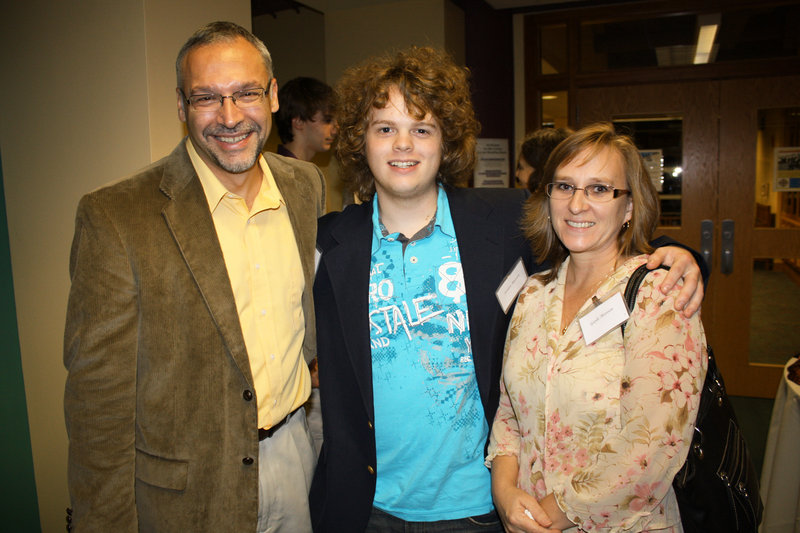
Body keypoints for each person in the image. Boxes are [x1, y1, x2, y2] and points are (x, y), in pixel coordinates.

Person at [309, 46, 705, 532]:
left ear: (446, 141)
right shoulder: (330, 245)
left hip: (478, 506)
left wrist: (682, 256)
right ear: (360, 140)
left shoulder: (502, 223)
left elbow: (591, 226)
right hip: (366, 506)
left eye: (421, 129)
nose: (403, 145)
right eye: (385, 128)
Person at [63, 21, 324, 532]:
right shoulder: (116, 216)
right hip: (188, 493)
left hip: (297, 459)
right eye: (207, 98)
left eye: (246, 93)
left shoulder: (304, 186)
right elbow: (98, 407)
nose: (229, 117)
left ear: (272, 96)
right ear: (182, 108)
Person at [487, 123, 707, 533]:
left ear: (629, 207)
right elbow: (508, 412)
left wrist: (550, 515)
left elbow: (654, 447)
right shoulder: (534, 293)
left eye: (600, 189)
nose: (577, 204)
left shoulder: (658, 294)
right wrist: (503, 492)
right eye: (565, 186)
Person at [275, 76, 338, 162]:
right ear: (299, 122)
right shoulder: (281, 172)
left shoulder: (301, 170)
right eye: (327, 120)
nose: (335, 131)